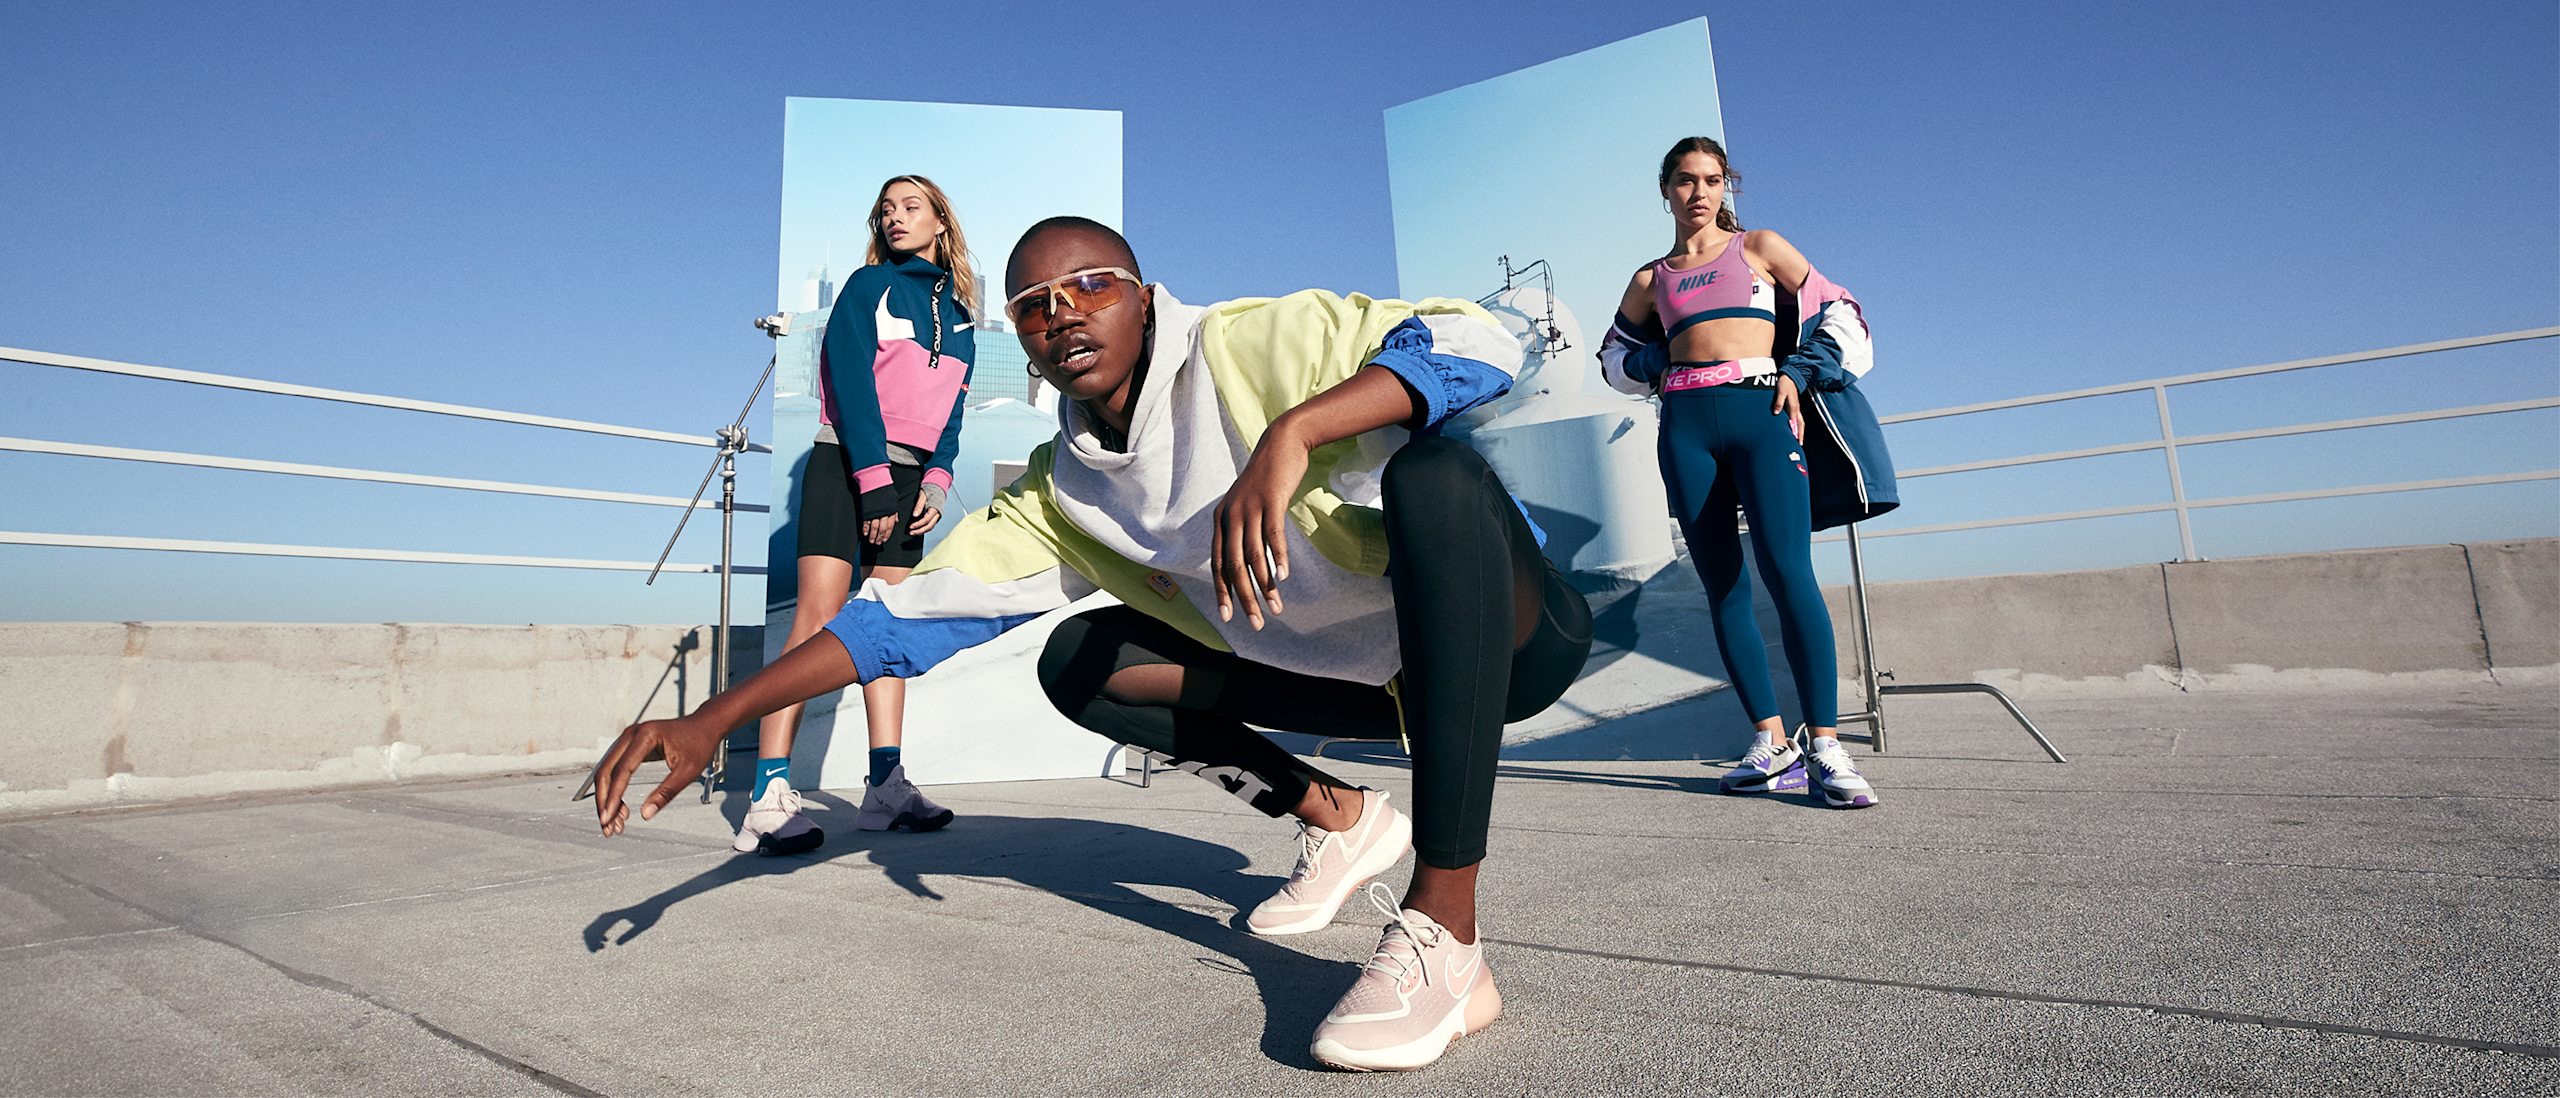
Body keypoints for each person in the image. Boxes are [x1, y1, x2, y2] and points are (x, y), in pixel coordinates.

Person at [591, 216, 1593, 1072]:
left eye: (1091, 286)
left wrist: (1293, 433)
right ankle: (1338, 818)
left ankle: (1447, 933)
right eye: (1034, 305)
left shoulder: (1252, 345)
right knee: (1081, 663)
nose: (1064, 312)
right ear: (1022, 341)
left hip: (1509, 642)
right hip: (1370, 687)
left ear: (1144, 300)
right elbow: (898, 621)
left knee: (1435, 477)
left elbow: (1478, 339)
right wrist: (714, 716)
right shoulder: (1062, 491)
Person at [1598, 136, 1897, 808]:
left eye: (1712, 180)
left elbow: (1844, 312)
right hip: (1685, 428)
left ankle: (1827, 746)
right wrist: (1655, 362)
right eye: (1685, 180)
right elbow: (1614, 360)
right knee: (1724, 586)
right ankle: (1771, 744)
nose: (1699, 193)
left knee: (1789, 573)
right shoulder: (1650, 279)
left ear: (1725, 186)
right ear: (1666, 189)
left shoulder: (1759, 247)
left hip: (1761, 414)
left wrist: (1801, 370)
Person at [736, 175, 977, 855]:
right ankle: (767, 797)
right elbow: (848, 381)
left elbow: (952, 413)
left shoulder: (961, 317)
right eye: (886, 210)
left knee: (889, 630)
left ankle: (885, 787)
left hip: (910, 480)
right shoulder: (868, 286)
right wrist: (872, 482)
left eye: (910, 207)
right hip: (844, 464)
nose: (895, 217)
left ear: (940, 222)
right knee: (816, 618)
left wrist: (936, 482)